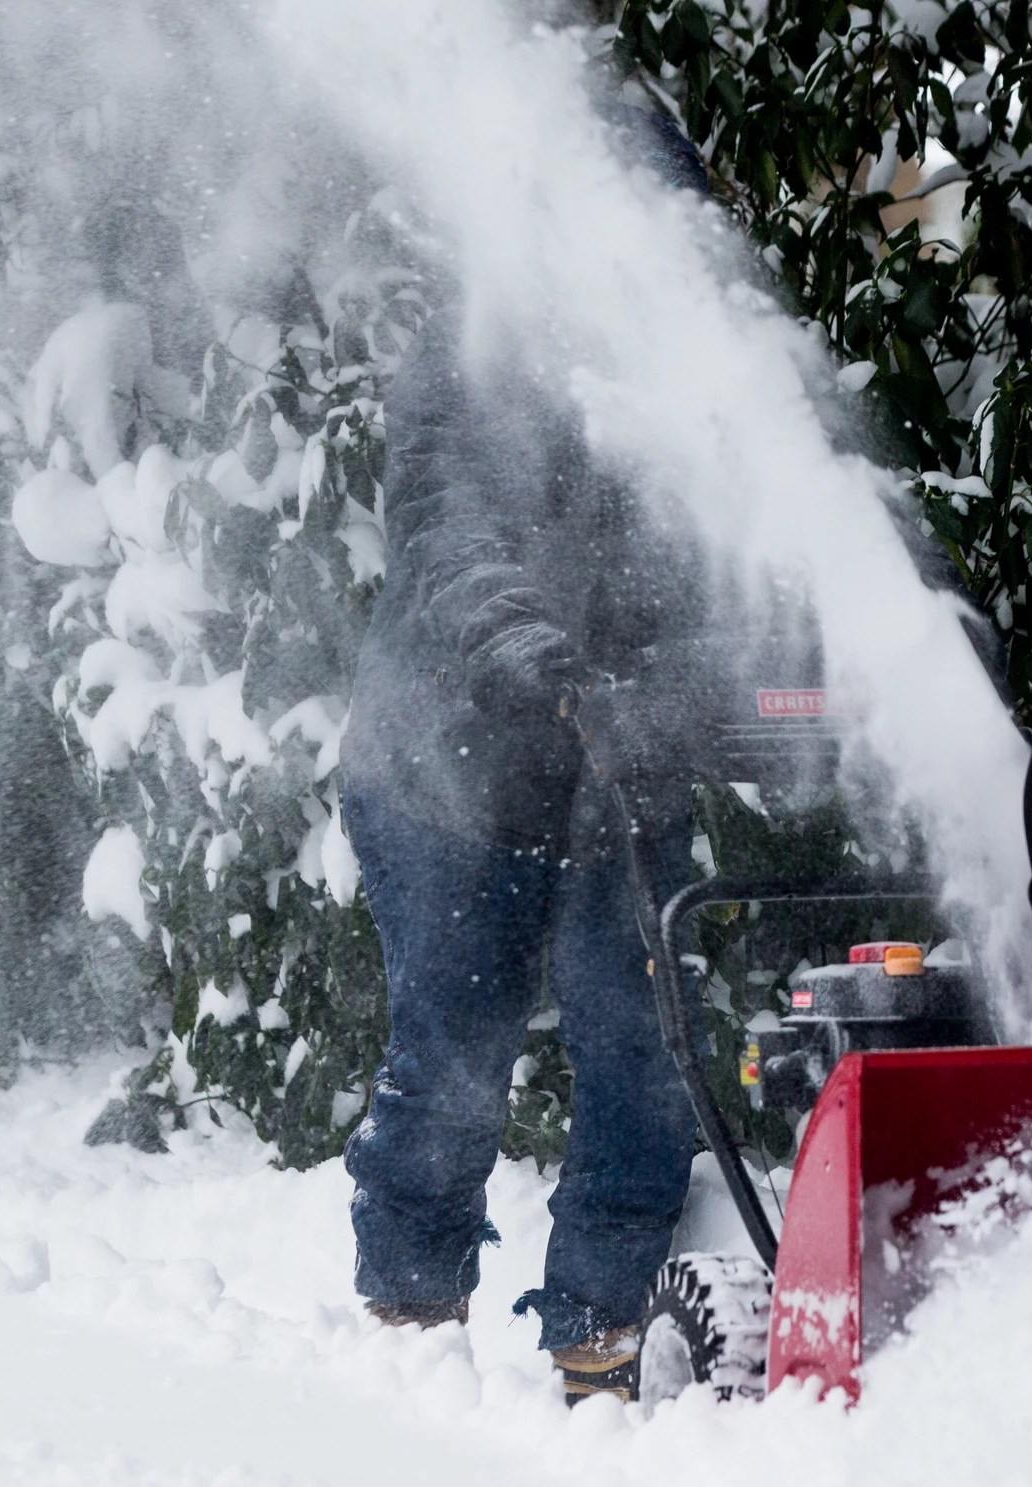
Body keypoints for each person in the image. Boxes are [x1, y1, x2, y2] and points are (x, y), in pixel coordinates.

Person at [335, 107, 712, 1403]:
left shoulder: (689, 379)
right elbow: (446, 534)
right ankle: (413, 1322)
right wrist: (539, 656)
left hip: (619, 763)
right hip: (448, 766)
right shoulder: (470, 348)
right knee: (454, 1056)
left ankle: (600, 1343)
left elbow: (736, 552)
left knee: (647, 1049)